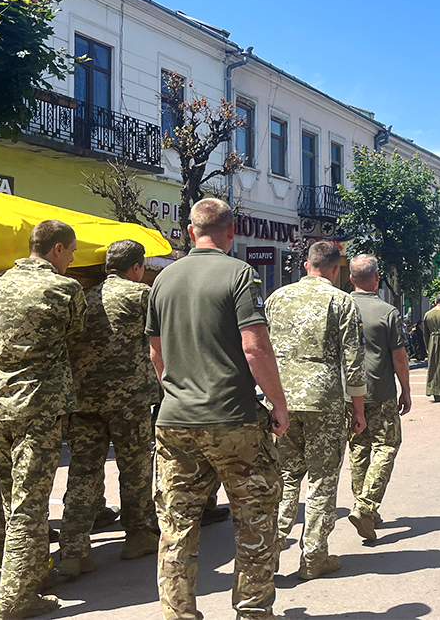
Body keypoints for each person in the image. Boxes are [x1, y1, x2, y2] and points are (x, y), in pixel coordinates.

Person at [146, 198, 289, 620]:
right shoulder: (240, 273)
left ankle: (178, 614)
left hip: (175, 420)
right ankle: (252, 611)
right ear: (232, 231)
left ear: (191, 231)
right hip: (233, 420)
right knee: (255, 521)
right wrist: (278, 403)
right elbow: (254, 345)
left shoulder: (163, 279)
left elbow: (156, 351)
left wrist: (176, 389)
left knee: (177, 526)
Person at [0, 220, 84, 619]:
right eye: (71, 252)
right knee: (29, 505)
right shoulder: (63, 289)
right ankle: (15, 600)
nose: (73, 259)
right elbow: (77, 332)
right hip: (36, 408)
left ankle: (34, 575)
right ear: (57, 249)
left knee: (10, 500)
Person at [59, 240, 161, 580]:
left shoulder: (82, 297)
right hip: (128, 400)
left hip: (84, 400)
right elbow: (161, 340)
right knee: (135, 468)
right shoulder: (139, 296)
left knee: (83, 470)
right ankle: (138, 535)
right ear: (137, 268)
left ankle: (73, 550)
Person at [266, 241, 367, 580]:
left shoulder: (276, 299)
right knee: (323, 477)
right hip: (323, 398)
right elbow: (353, 361)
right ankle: (313, 555)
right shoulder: (341, 300)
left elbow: (259, 348)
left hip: (280, 398)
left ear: (306, 265)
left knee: (285, 476)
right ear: (336, 270)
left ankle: (271, 549)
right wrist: (358, 409)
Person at [346, 254, 413, 545]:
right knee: (387, 445)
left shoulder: (339, 307)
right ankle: (366, 506)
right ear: (376, 279)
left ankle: (365, 506)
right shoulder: (388, 312)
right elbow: (399, 356)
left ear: (351, 279)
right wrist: (406, 389)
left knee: (358, 446)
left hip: (346, 392)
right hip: (379, 390)